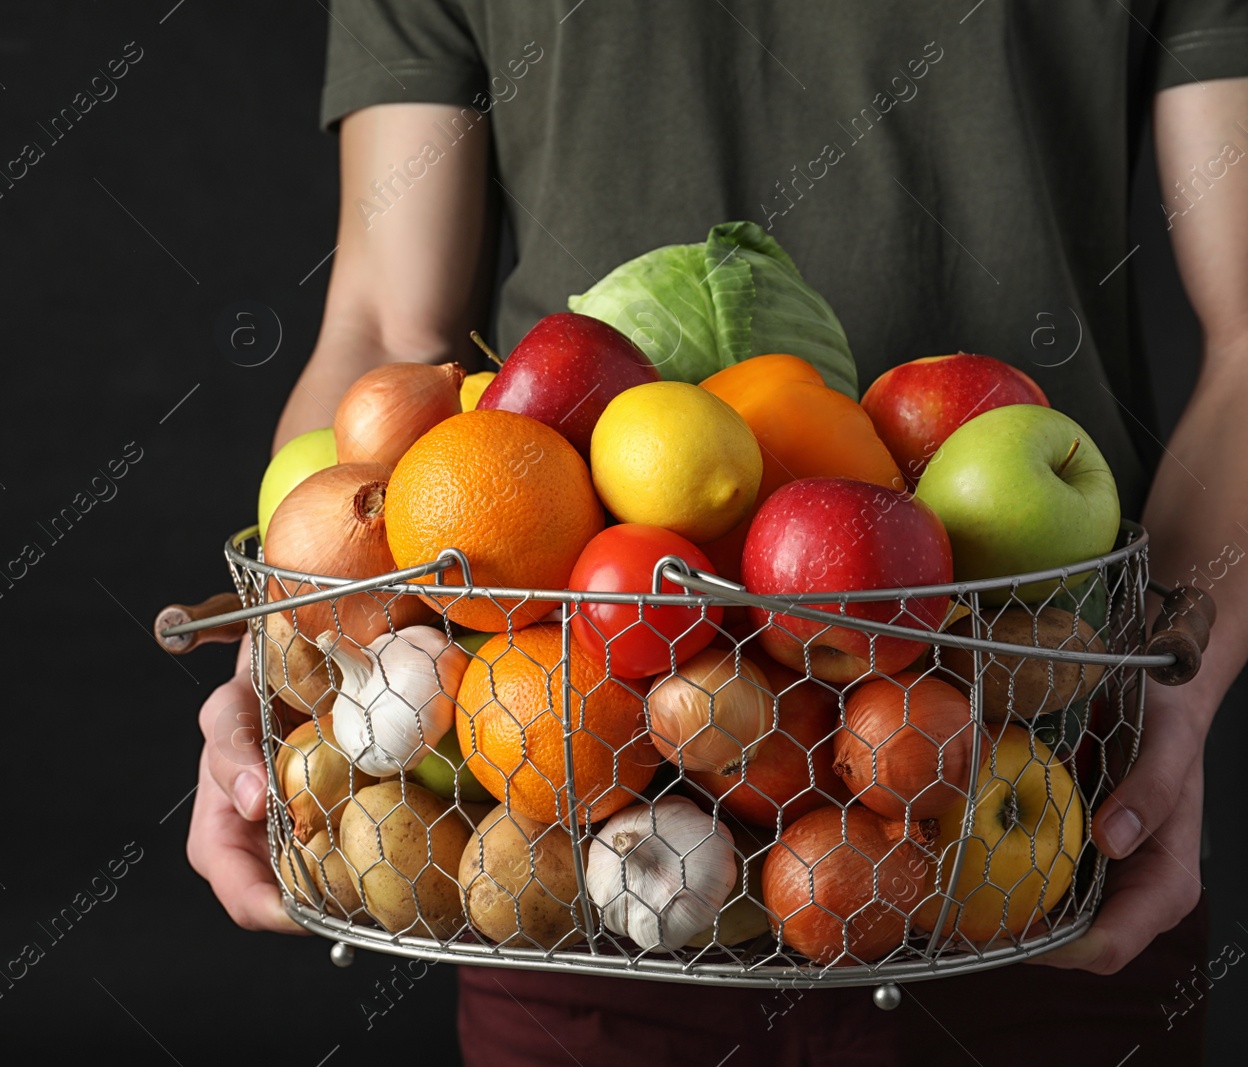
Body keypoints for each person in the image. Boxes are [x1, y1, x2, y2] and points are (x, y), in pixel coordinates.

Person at [188, 2, 1248, 1063]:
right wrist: (289, 654)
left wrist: (1176, 690)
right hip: (575, 846)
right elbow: (385, 331)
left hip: (1023, 819)